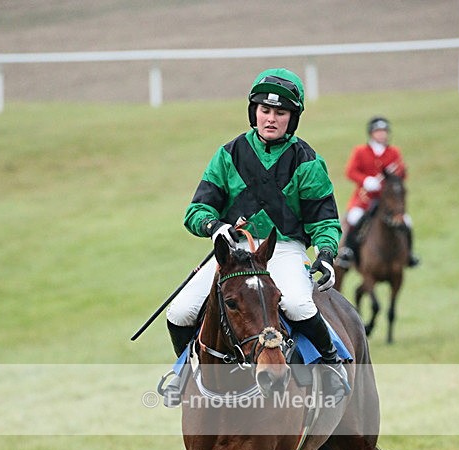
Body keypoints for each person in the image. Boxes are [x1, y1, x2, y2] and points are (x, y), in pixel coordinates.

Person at [162, 67, 348, 406]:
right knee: (181, 311)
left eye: (280, 112)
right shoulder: (228, 154)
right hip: (233, 253)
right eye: (265, 110)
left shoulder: (307, 161)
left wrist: (325, 253)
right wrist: (213, 226)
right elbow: (197, 211)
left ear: (293, 118)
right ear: (254, 112)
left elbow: (324, 220)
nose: (271, 118)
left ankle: (331, 364)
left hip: (284, 249)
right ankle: (185, 373)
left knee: (295, 302)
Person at [337, 116, 419, 269]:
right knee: (354, 219)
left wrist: (395, 176)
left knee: (407, 222)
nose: (382, 134)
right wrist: (366, 180)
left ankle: (409, 254)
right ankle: (347, 252)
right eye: (378, 131)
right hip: (364, 200)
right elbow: (350, 172)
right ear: (371, 133)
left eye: (384, 131)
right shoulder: (361, 151)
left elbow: (401, 174)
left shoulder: (394, 153)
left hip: (387, 202)